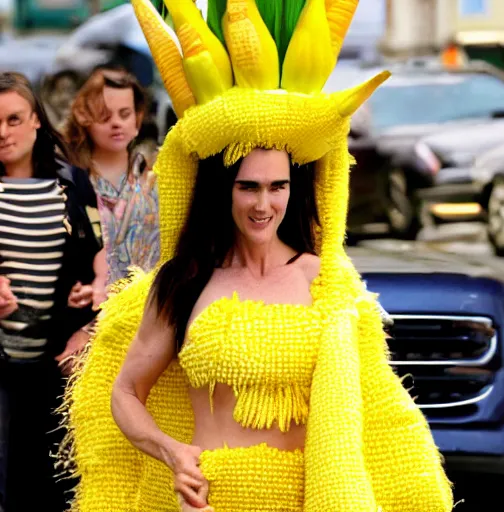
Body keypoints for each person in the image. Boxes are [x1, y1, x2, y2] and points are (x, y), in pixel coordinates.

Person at [61, 1, 454, 511]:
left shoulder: (330, 282)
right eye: (248, 187)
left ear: (294, 190)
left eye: (277, 187)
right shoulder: (185, 280)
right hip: (210, 501)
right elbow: (126, 393)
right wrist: (173, 453)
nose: (263, 204)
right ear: (223, 192)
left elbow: (379, 415)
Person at [0, 72, 107, 512]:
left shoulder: (72, 183)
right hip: (2, 360)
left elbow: (102, 253)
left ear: (36, 121)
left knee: (51, 483)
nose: (2, 133)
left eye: (12, 119)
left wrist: (98, 288)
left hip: (56, 359)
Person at [64, 69, 159, 286]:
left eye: (125, 114)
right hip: (89, 307)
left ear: (138, 119)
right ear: (85, 119)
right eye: (105, 116)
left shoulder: (157, 178)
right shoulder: (70, 183)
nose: (116, 123)